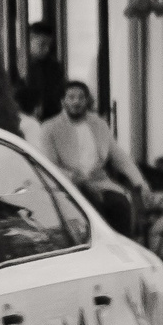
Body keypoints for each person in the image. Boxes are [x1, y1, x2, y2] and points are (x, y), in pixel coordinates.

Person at [43, 81, 148, 237]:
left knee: (121, 205)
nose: (76, 102)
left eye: (81, 97)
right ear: (63, 101)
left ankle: (123, 250)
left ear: (87, 101)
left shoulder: (98, 124)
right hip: (69, 185)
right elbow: (49, 165)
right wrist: (77, 179)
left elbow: (119, 156)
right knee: (94, 211)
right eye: (71, 97)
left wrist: (139, 181)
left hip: (99, 182)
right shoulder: (50, 128)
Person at [16, 21, 69, 124]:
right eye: (42, 44)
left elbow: (58, 94)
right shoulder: (15, 63)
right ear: (29, 40)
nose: (47, 49)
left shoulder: (54, 67)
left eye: (49, 45)